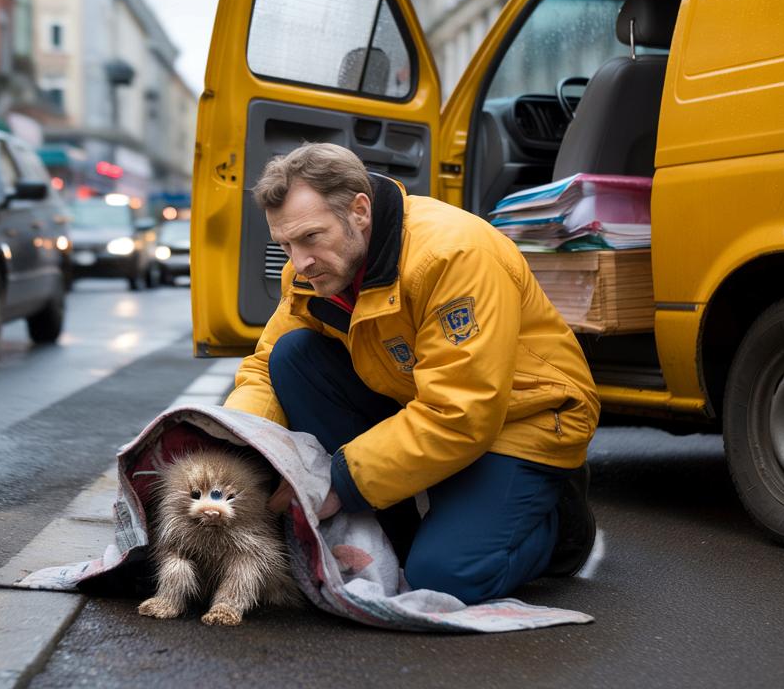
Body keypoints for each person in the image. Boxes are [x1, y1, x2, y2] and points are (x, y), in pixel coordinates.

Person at [223, 143, 600, 605]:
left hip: (523, 419)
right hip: (421, 402)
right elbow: (264, 366)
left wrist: (339, 484)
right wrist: (233, 442)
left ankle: (559, 524)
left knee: (445, 578)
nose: (299, 262)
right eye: (285, 244)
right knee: (292, 355)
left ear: (359, 211)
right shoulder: (314, 272)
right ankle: (395, 525)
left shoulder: (452, 255)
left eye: (310, 237)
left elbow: (463, 411)